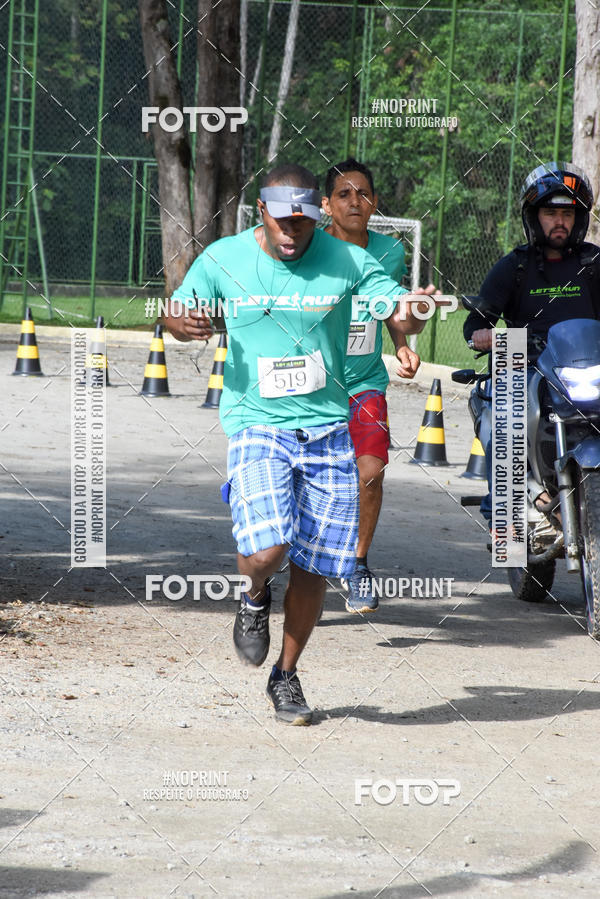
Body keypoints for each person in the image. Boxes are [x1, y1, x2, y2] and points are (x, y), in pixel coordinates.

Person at [161, 163, 414, 725]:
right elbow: (175, 310)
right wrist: (184, 323)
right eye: (281, 222)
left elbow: (395, 308)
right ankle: (253, 597)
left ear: (316, 216)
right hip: (256, 422)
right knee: (269, 551)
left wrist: (412, 312)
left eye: (301, 223)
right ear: (262, 213)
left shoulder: (348, 259)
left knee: (313, 565)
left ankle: (287, 676)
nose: (291, 233)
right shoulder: (225, 257)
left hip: (328, 426)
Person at [322, 157, 437, 612]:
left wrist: (402, 342)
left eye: (363, 193)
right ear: (327, 205)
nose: (355, 201)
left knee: (370, 473)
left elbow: (387, 305)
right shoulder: (310, 250)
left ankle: (358, 565)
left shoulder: (389, 253)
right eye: (344, 194)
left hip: (365, 380)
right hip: (312, 386)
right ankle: (286, 564)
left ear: (374, 204)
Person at [463, 161, 599, 529]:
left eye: (567, 213)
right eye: (550, 212)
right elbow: (477, 321)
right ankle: (508, 513)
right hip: (525, 363)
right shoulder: (515, 267)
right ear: (534, 217)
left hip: (584, 366)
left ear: (579, 218)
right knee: (506, 417)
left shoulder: (593, 263)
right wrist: (483, 334)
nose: (559, 221)